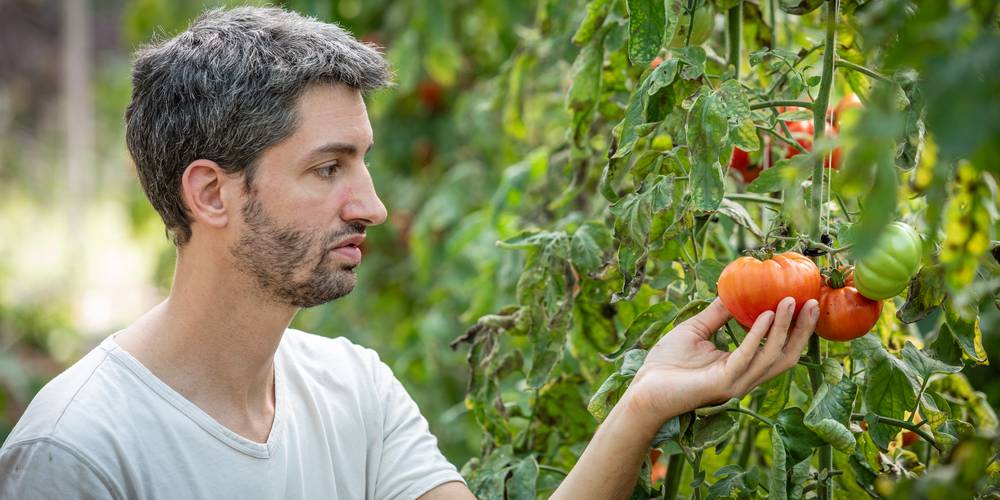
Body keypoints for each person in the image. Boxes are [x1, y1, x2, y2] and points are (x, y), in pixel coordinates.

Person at [0, 6, 820, 499]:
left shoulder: (353, 390)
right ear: (212, 193)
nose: (374, 205)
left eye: (363, 160)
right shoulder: (79, 452)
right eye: (328, 168)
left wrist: (644, 402)